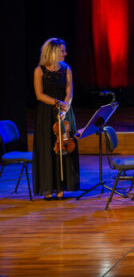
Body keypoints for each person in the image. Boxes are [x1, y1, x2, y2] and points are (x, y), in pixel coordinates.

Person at [32, 37, 79, 199]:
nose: (65, 54)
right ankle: (48, 187)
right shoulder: (39, 71)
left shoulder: (66, 69)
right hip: (46, 113)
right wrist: (57, 103)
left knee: (64, 148)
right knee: (47, 149)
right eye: (62, 51)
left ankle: (61, 187)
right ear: (52, 52)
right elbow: (39, 95)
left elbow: (69, 91)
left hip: (64, 112)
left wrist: (65, 107)